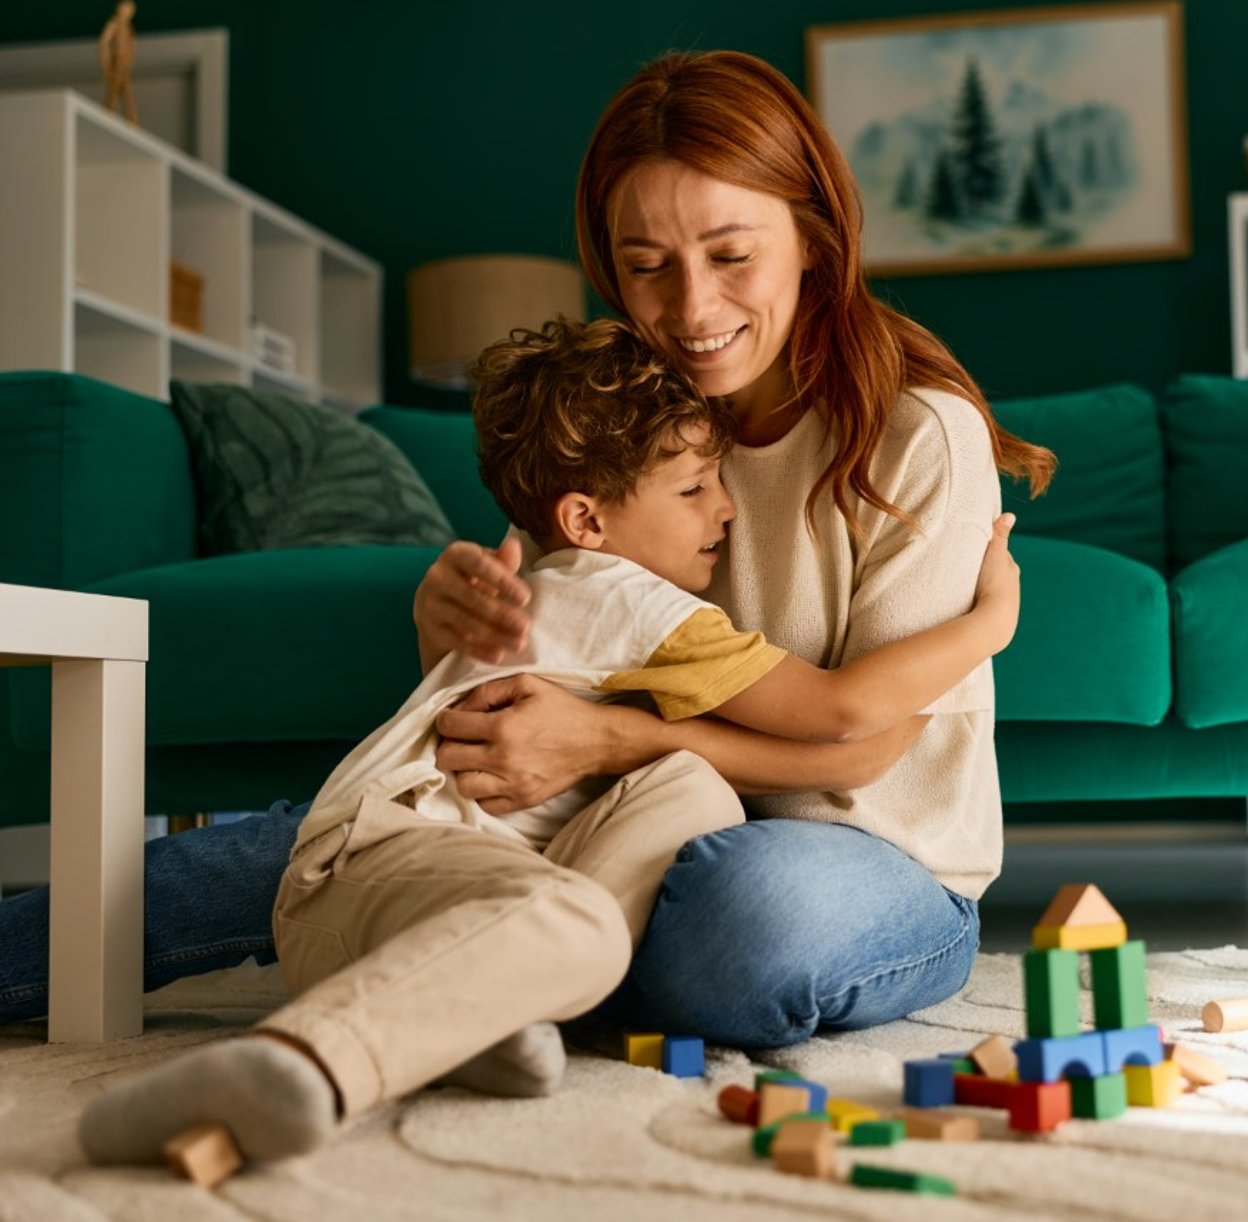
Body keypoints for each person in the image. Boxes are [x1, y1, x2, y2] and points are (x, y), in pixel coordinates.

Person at [0, 47, 1053, 1054]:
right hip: (614, 825)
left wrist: (610, 742)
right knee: (320, 849)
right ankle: (512, 965)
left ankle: (495, 967)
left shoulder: (916, 431)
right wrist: (448, 623)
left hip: (863, 859)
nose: (691, 309)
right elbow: (526, 679)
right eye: (647, 267)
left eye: (732, 256)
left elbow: (862, 746)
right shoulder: (637, 414)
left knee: (740, 918)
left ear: (814, 237)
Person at [72, 314, 1021, 1168]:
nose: (724, 514)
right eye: (696, 490)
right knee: (578, 923)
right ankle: (296, 1064)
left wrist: (618, 737)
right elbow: (836, 717)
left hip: (436, 857)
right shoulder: (628, 598)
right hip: (386, 860)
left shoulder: (585, 569)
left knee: (684, 789)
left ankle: (491, 1007)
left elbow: (738, 750)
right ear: (587, 520)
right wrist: (991, 624)